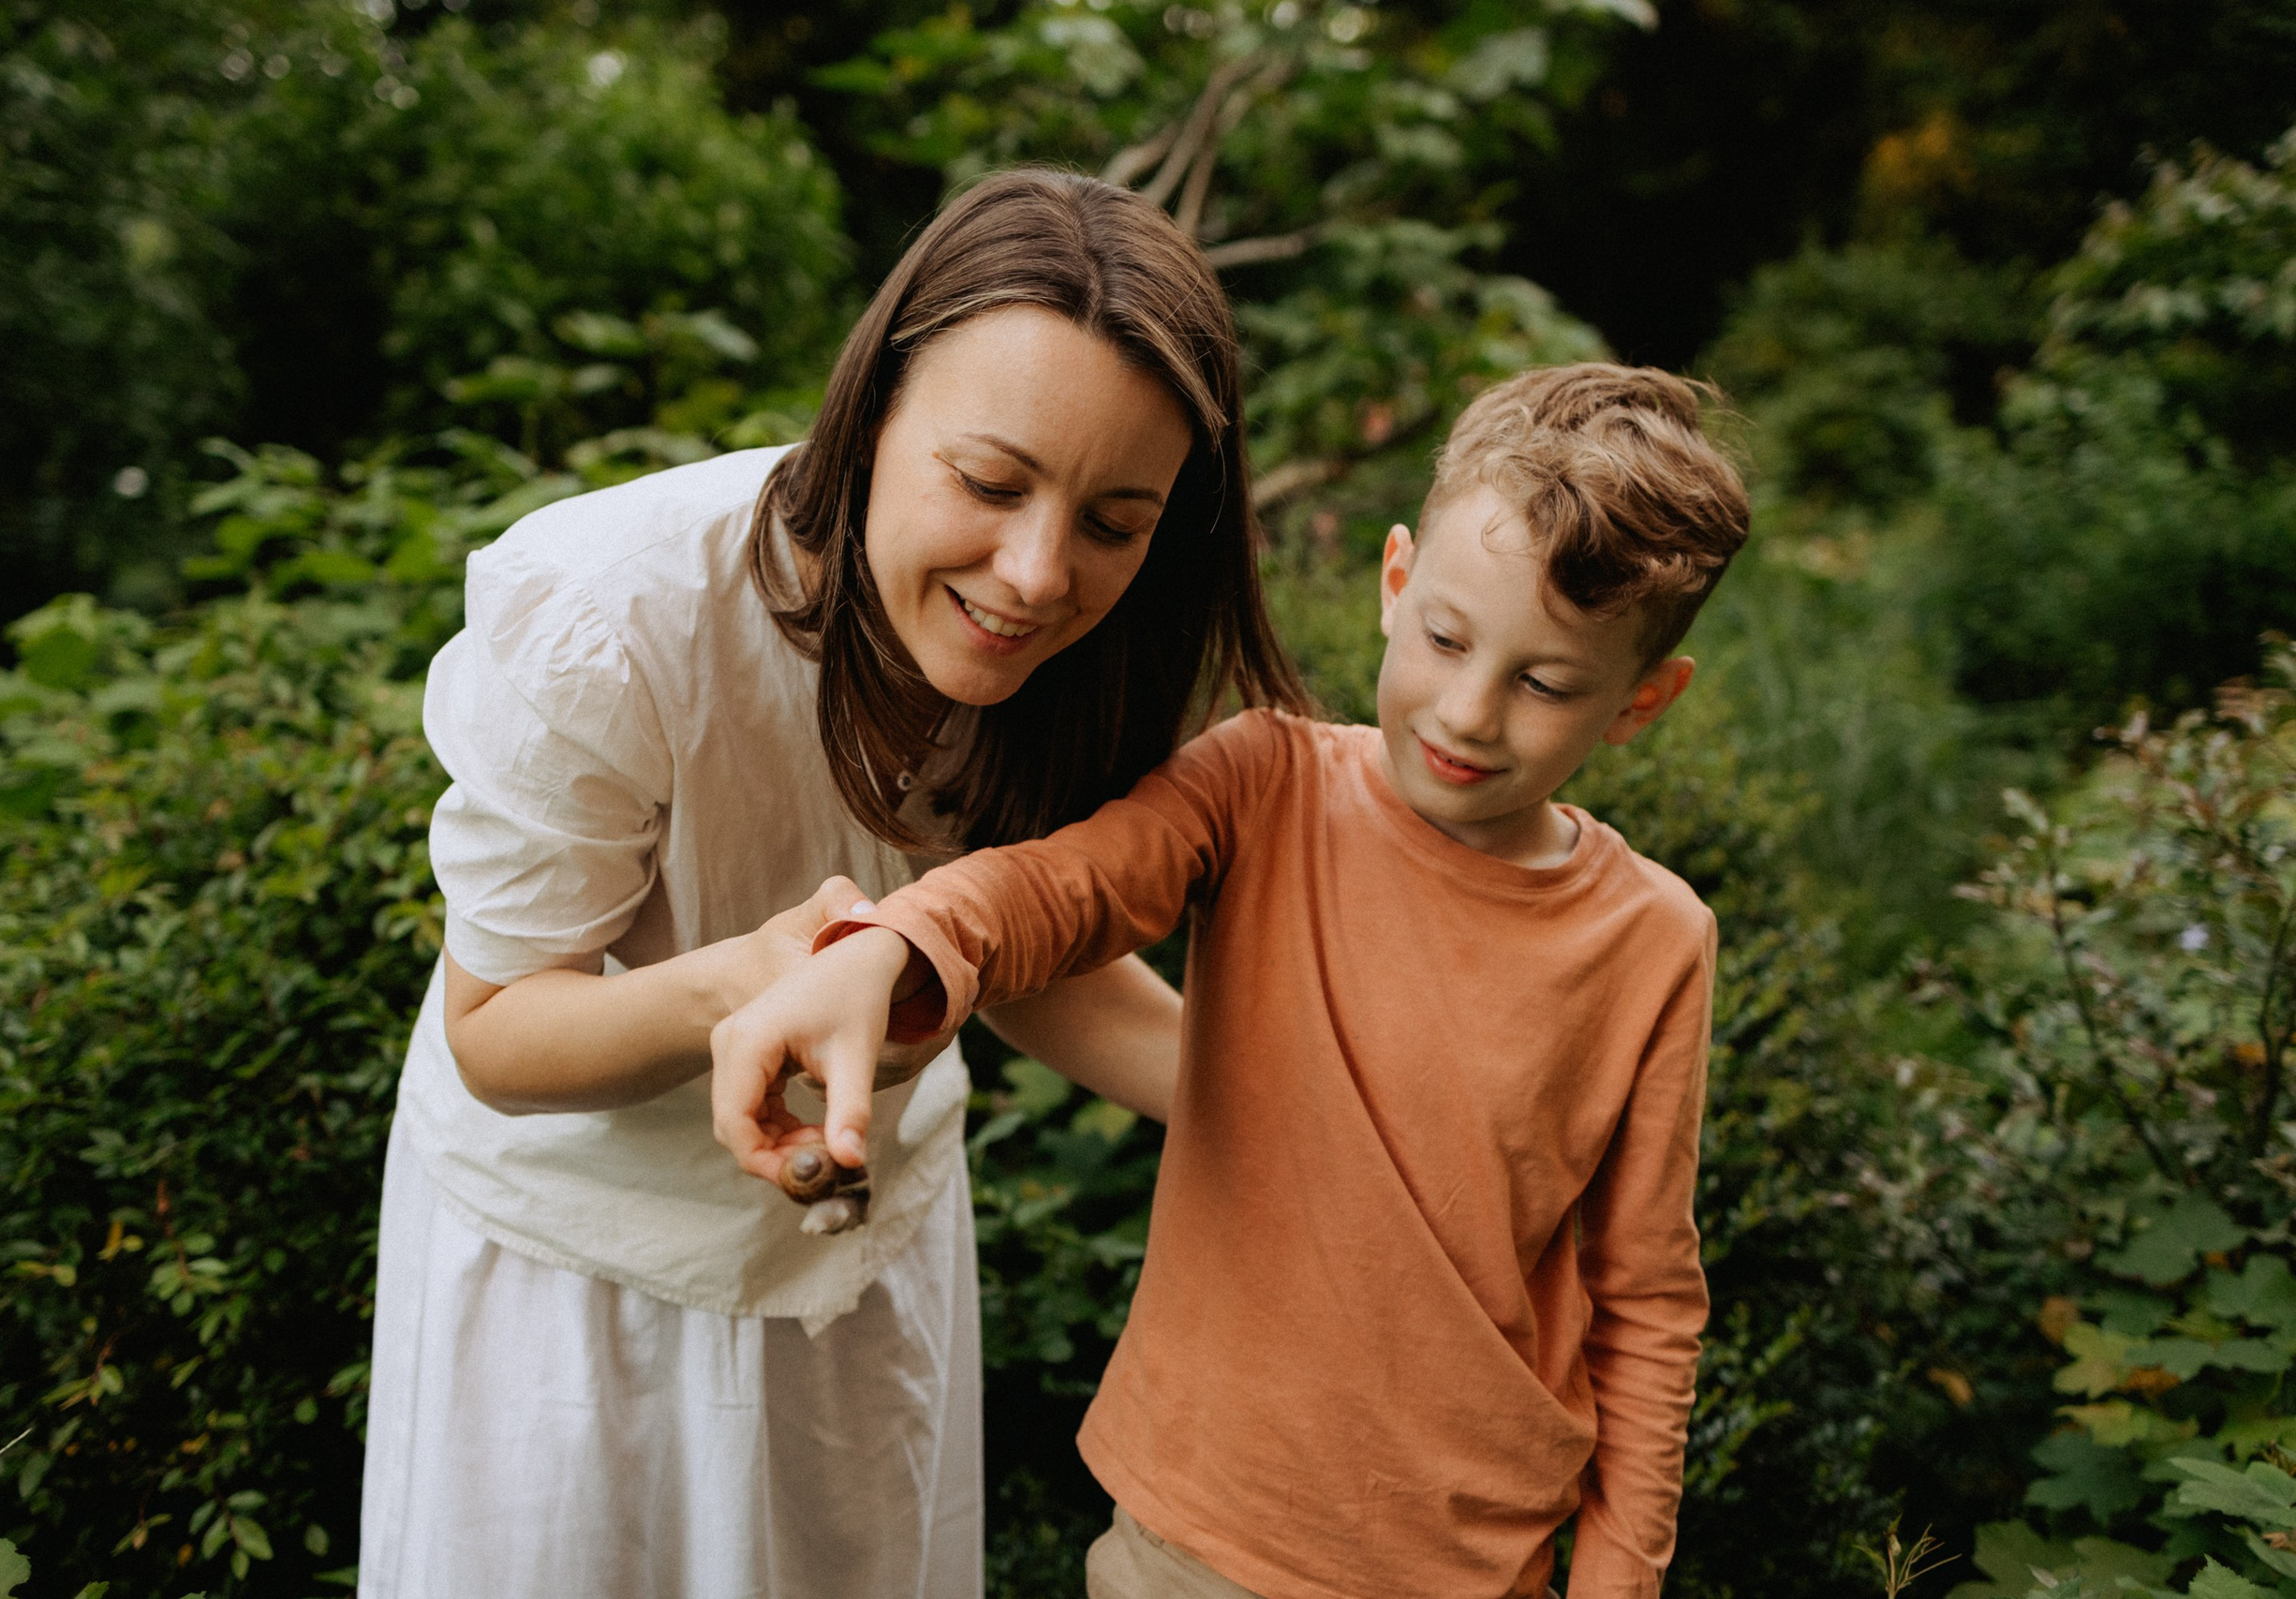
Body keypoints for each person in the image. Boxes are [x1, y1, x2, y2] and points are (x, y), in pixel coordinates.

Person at [358, 169, 1306, 1599]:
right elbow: (498, 1029)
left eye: (1116, 522)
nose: (1039, 574)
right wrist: (743, 983)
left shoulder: (1081, 650)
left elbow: (1021, 950)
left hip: (861, 1277)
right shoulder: (609, 619)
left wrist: (1323, 1116)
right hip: (579, 1291)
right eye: (990, 484)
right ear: (865, 421)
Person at [713, 363, 1752, 1599]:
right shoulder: (1262, 784)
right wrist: (894, 946)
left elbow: (1644, 1301)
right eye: (1445, 640)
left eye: (1545, 684)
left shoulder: (1655, 940)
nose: (1469, 713)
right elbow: (1059, 888)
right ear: (1395, 581)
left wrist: (1619, 1579)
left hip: (1474, 1562)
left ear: (1642, 701)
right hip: (1192, 1533)